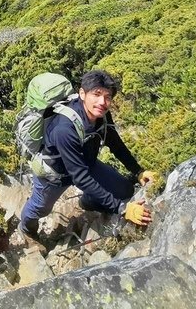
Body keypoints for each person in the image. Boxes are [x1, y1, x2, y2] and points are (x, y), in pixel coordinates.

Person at [15, 69, 155, 247]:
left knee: (125, 191)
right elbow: (80, 178)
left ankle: (88, 201)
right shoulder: (64, 129)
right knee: (40, 208)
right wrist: (123, 209)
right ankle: (27, 228)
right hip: (55, 175)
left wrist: (139, 171)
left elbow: (115, 143)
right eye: (96, 94)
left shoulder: (101, 115)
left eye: (108, 97)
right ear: (82, 93)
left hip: (85, 164)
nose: (102, 102)